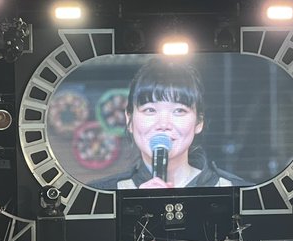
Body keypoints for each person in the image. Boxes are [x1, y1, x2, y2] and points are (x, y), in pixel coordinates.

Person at [94, 58, 247, 189]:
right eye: (150, 110)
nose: (163, 124)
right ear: (129, 119)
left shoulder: (236, 190)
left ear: (199, 122)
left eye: (179, 111)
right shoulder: (102, 194)